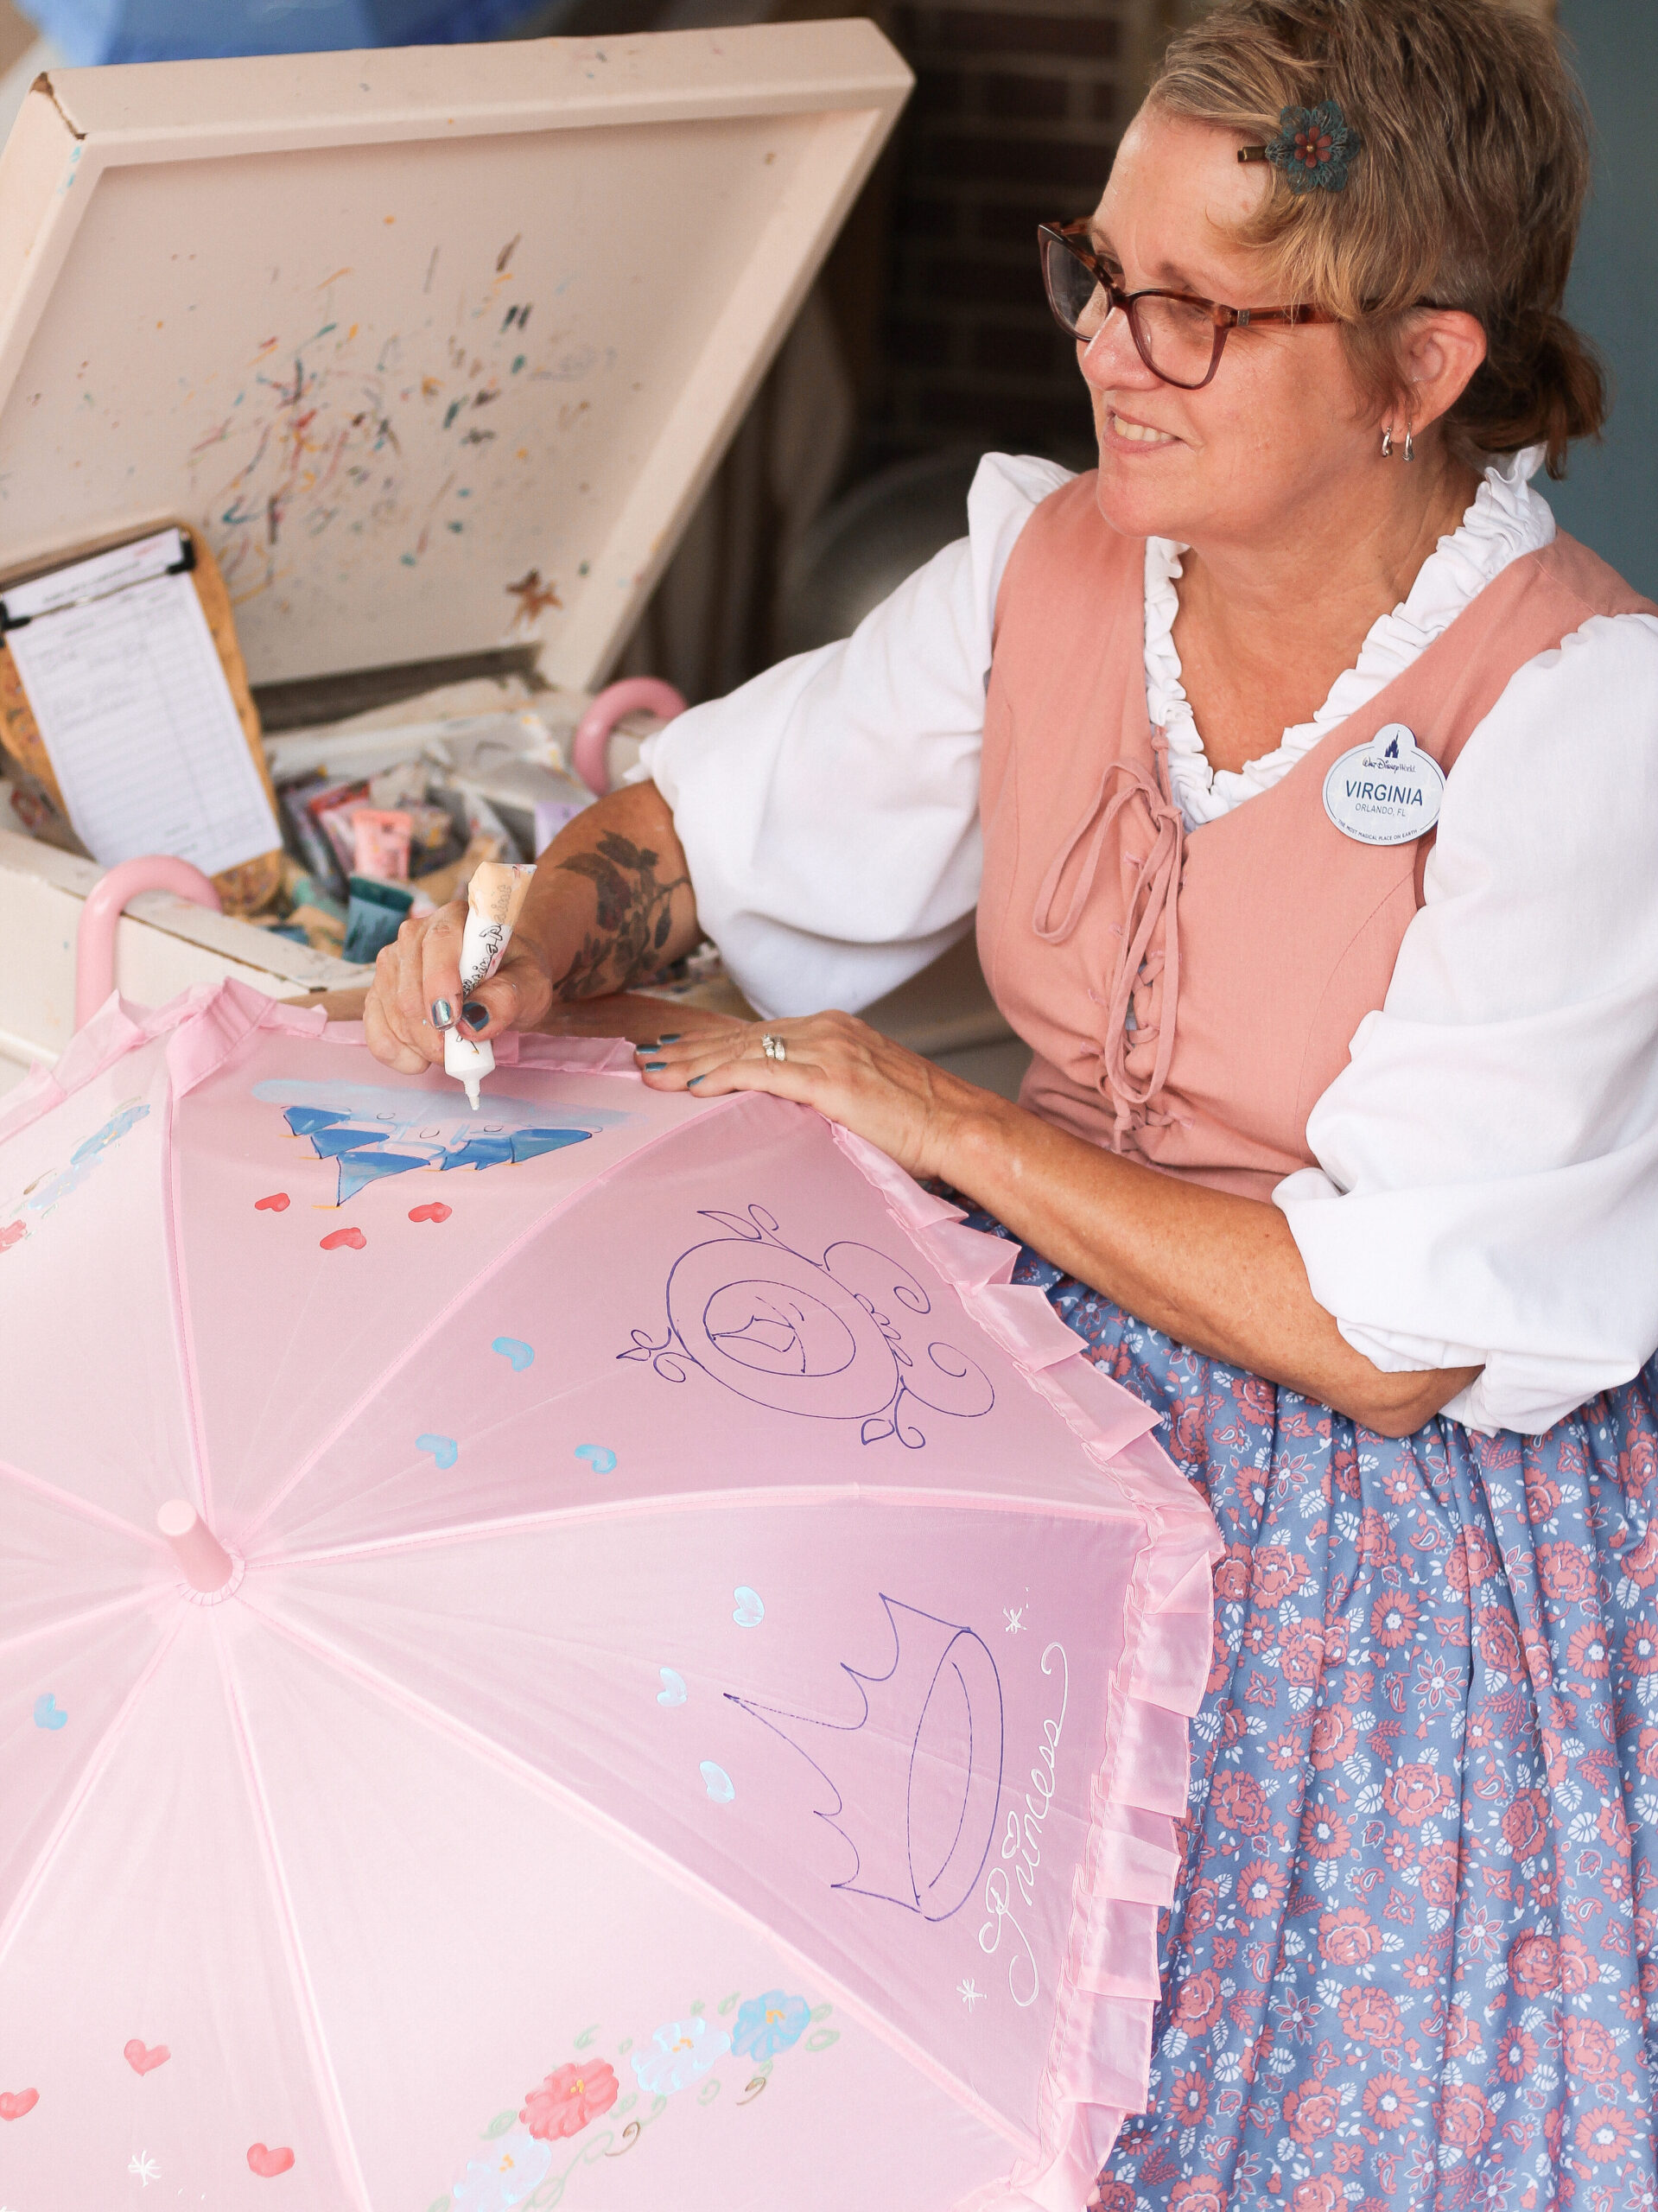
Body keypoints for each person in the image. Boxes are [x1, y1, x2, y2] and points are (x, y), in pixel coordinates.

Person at [363, 0, 1658, 2201]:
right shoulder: (1049, 571)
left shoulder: (1576, 717)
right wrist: (544, 915)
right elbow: (699, 834)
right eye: (1098, 275)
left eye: (1198, 311)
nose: (1112, 352)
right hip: (1030, 1405)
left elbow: (1391, 1333)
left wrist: (928, 1113)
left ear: (1422, 371)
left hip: (1373, 1548)